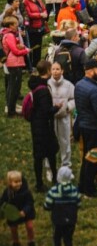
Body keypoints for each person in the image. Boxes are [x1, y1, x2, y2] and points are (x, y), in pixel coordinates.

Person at [73, 60, 97, 197]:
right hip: (95, 127)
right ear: (92, 70)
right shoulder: (94, 90)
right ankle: (89, 188)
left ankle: (83, 185)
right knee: (94, 159)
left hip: (83, 125)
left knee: (87, 157)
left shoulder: (79, 85)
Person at [27, 60, 60, 192]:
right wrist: (56, 108)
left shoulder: (35, 85)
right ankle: (47, 181)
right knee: (49, 153)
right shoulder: (43, 90)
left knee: (39, 154)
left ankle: (40, 181)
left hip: (36, 124)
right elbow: (46, 110)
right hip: (44, 126)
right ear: (47, 71)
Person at [43, 166, 80, 246]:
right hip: (71, 220)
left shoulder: (53, 190)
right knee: (68, 238)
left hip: (57, 220)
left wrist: (47, 207)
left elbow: (47, 204)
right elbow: (78, 203)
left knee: (57, 238)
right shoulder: (74, 190)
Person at [47, 62, 75, 168]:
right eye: (53, 69)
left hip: (64, 117)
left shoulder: (68, 85)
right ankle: (49, 165)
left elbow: (74, 98)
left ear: (62, 71)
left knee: (65, 141)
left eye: (57, 69)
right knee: (50, 141)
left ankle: (66, 164)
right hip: (51, 118)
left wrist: (68, 107)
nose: (55, 71)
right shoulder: (47, 84)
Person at [2, 16, 29, 117]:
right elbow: (15, 51)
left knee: (12, 87)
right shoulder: (9, 35)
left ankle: (11, 108)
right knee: (14, 88)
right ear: (10, 25)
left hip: (14, 62)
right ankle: (11, 111)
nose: (17, 25)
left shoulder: (10, 34)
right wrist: (26, 51)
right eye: (15, 24)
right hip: (14, 63)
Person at [1, 170, 36, 246]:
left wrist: (25, 211)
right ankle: (16, 242)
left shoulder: (26, 192)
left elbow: (30, 202)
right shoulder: (7, 192)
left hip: (26, 212)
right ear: (10, 183)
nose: (19, 184)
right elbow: (3, 202)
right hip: (13, 213)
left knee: (30, 226)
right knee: (13, 229)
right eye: (16, 182)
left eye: (20, 181)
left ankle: (31, 241)